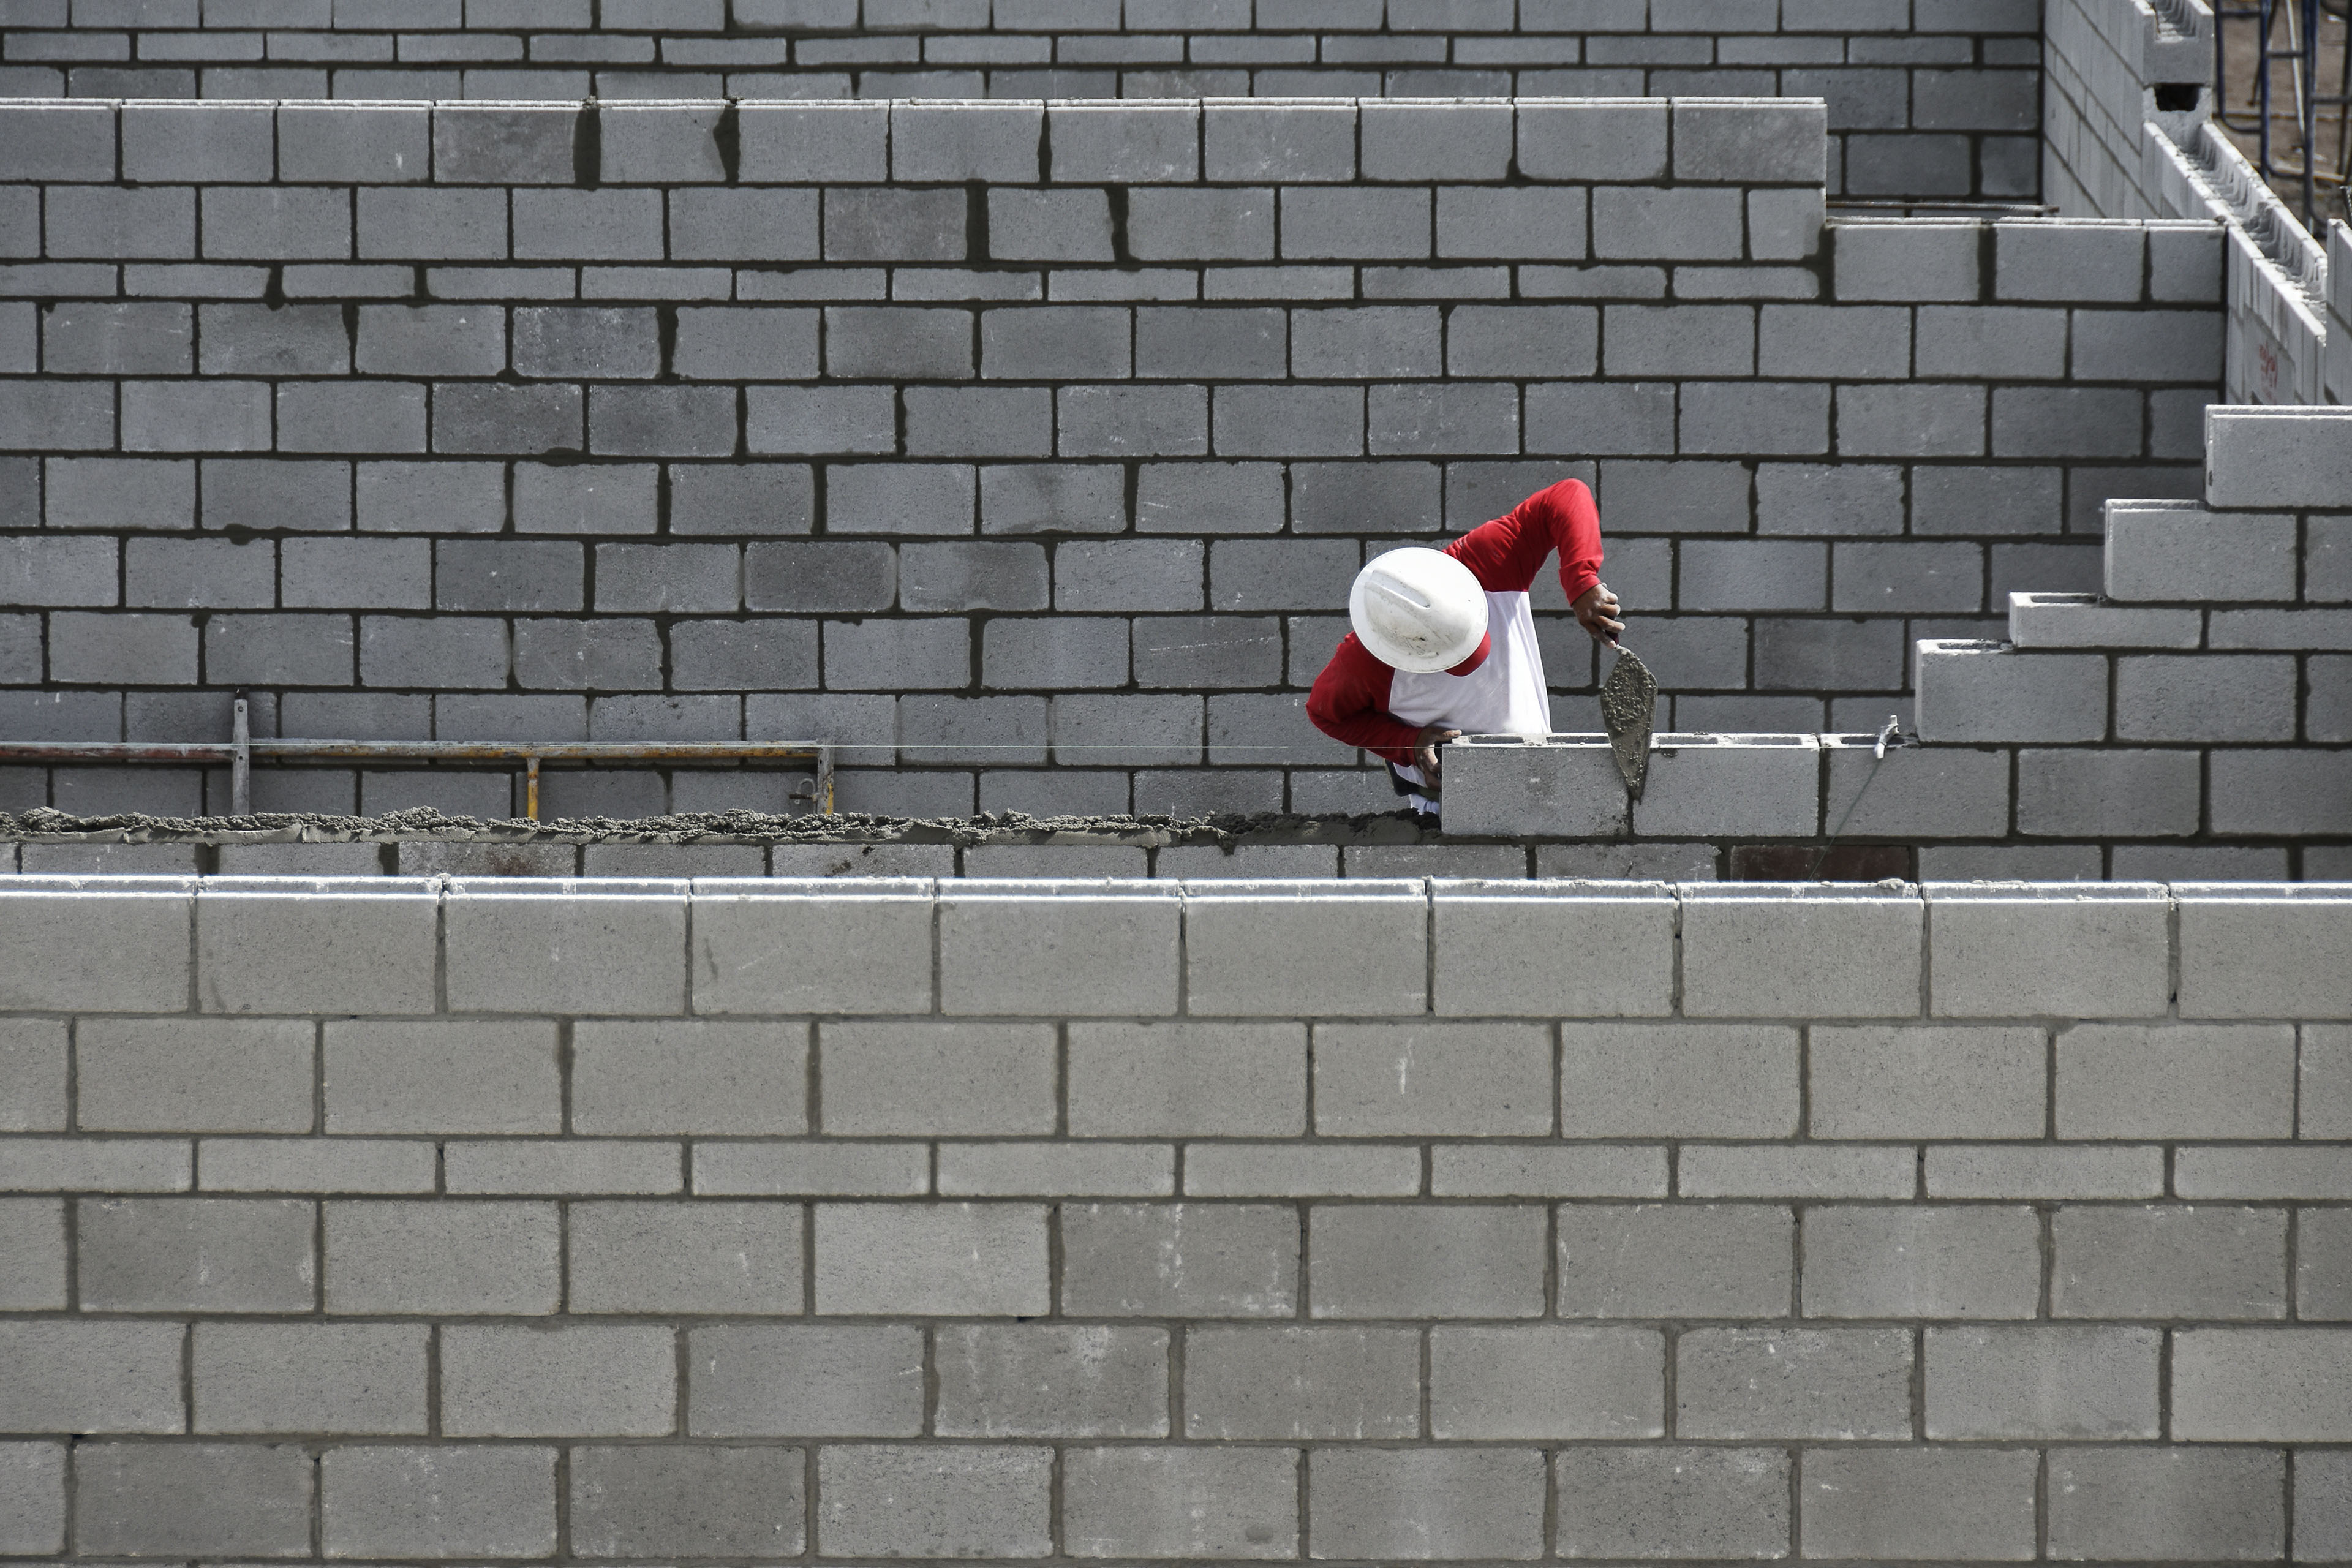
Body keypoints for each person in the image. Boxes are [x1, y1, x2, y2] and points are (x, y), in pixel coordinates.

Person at [1305, 477, 1622, 816]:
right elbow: (1325, 714)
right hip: (1446, 815)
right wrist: (1407, 744)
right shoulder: (1367, 659)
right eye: (1446, 658)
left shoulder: (1486, 561)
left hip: (1541, 789)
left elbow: (1566, 495)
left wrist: (1582, 579)